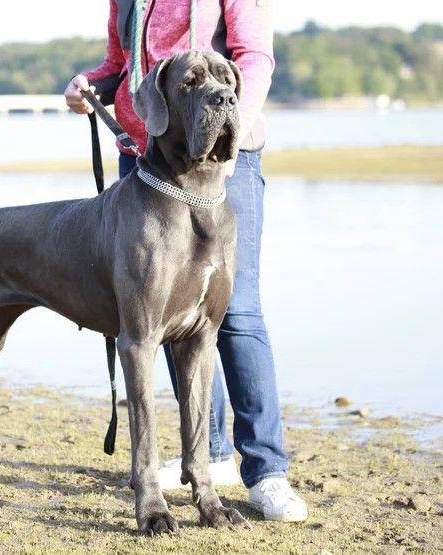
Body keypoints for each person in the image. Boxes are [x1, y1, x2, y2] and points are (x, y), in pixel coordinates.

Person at [64, 0, 307, 522]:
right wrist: (90, 85)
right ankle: (210, 456)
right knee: (170, 320)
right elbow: (123, 68)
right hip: (149, 163)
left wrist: (230, 128)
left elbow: (254, 57)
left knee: (237, 312)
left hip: (224, 165)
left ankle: (267, 471)